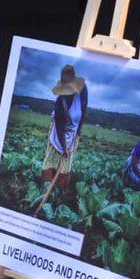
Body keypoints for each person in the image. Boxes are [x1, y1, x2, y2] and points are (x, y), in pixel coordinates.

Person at [41, 63, 88, 191]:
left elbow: (83, 112)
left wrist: (77, 132)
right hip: (59, 131)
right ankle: (46, 187)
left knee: (66, 163)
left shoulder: (83, 91)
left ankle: (60, 190)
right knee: (53, 157)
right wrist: (64, 147)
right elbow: (59, 127)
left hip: (73, 131)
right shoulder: (61, 103)